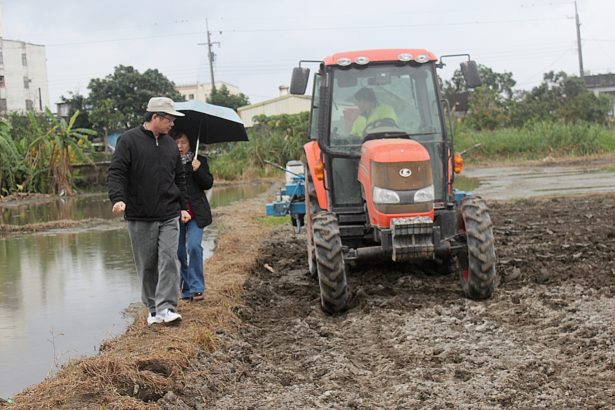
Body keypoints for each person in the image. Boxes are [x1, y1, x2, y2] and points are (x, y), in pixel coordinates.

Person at [107, 96, 191, 326]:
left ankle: (167, 307)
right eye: (170, 119)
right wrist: (118, 198)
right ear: (155, 117)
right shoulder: (129, 141)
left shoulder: (169, 145)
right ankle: (153, 308)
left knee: (169, 259)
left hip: (169, 213)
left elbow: (179, 177)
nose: (172, 124)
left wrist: (183, 207)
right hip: (140, 215)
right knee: (147, 264)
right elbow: (116, 172)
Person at [172, 130, 214, 302]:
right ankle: (187, 288)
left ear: (190, 143)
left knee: (194, 247)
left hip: (196, 213)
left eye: (183, 142)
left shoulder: (199, 160)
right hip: (175, 214)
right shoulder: (169, 162)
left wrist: (198, 170)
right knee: (180, 252)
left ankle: (197, 288)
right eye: (176, 143)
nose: (180, 146)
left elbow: (208, 183)